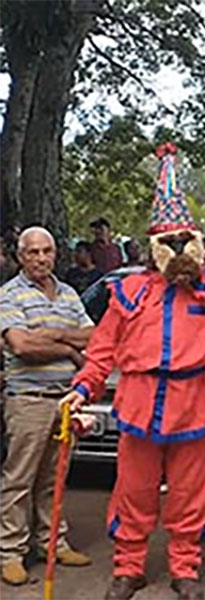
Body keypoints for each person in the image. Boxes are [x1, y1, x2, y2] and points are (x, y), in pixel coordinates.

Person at [62, 144, 205, 600]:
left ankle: (185, 568)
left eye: (187, 239)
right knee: (134, 490)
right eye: (170, 242)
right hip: (141, 402)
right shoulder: (128, 291)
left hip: (198, 401)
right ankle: (129, 567)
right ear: (152, 247)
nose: (180, 249)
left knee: (190, 493)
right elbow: (103, 349)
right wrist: (82, 389)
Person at [0, 227, 94, 586]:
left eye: (47, 251)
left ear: (56, 254)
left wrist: (51, 336)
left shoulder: (69, 293)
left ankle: (52, 544)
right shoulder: (9, 295)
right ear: (21, 256)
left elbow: (96, 335)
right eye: (33, 252)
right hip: (29, 401)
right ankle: (10, 551)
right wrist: (71, 349)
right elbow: (22, 346)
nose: (41, 258)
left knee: (54, 479)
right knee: (19, 478)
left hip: (66, 399)